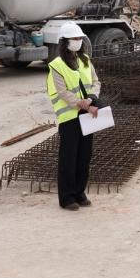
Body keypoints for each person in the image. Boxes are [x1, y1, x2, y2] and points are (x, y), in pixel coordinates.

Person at [46, 22, 101, 211]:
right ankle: (67, 197)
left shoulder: (85, 59)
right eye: (74, 39)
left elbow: (95, 82)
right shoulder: (57, 65)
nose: (78, 41)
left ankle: (80, 192)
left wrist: (92, 98)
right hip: (69, 118)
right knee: (68, 158)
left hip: (87, 114)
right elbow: (62, 92)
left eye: (79, 38)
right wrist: (82, 104)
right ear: (65, 41)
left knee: (84, 157)